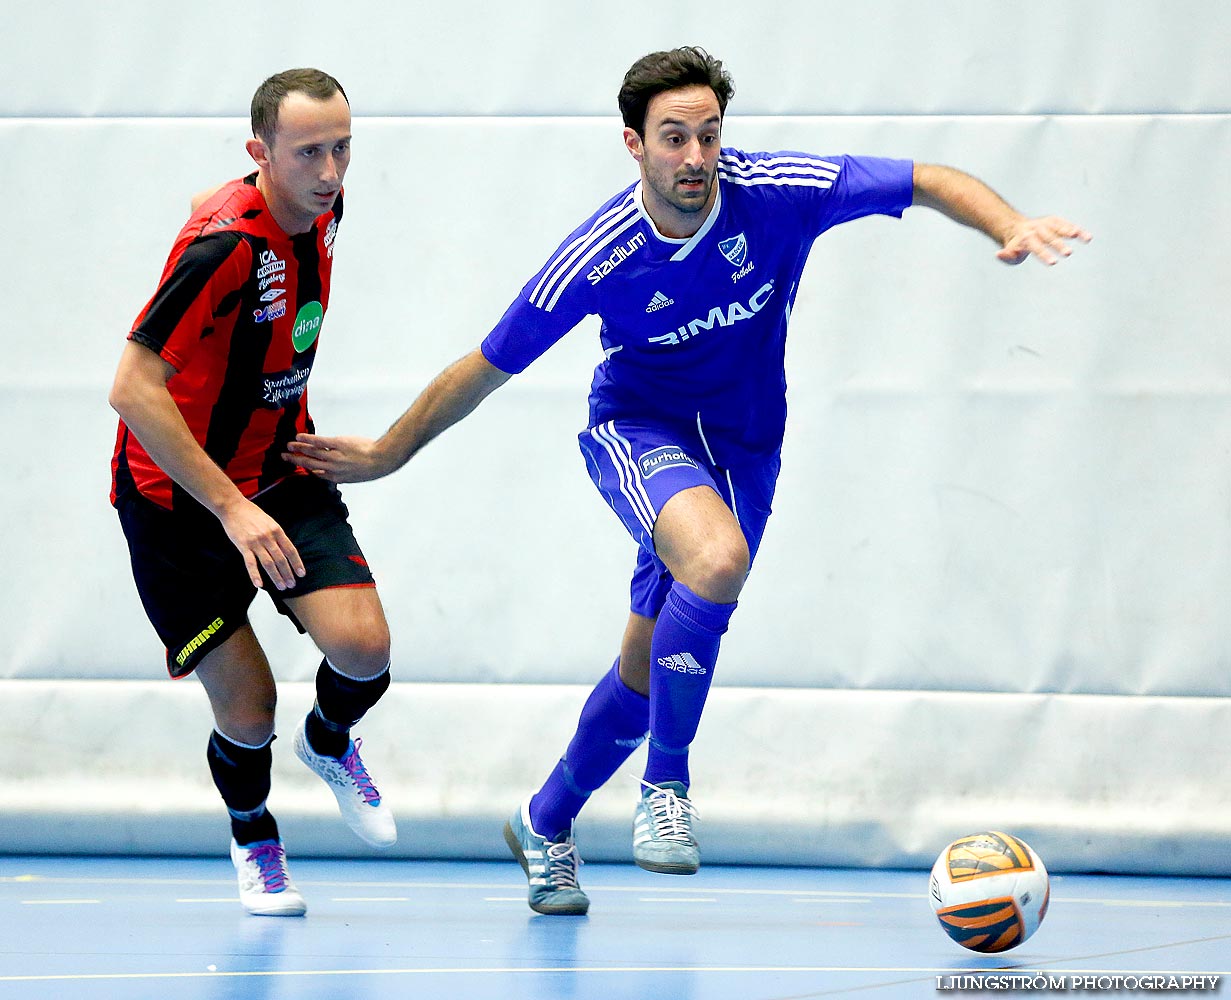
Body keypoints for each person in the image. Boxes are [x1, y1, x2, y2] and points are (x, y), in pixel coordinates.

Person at [285, 47, 1091, 916]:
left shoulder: (776, 191)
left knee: (647, 668)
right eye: (675, 138)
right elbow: (486, 364)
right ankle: (665, 787)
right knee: (715, 562)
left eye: (709, 135)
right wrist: (389, 453)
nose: (697, 157)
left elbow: (925, 178)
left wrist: (1005, 221)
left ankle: (544, 820)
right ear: (633, 144)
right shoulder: (599, 253)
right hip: (638, 432)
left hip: (746, 446)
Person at [109, 68, 398, 918]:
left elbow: (223, 195)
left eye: (342, 147)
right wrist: (231, 510)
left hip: (278, 466)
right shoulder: (223, 250)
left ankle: (331, 741)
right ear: (259, 153)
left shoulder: (321, 209)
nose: (331, 170)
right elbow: (131, 387)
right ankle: (253, 838)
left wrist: (259, 489)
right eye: (308, 152)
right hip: (178, 503)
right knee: (249, 705)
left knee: (363, 649)